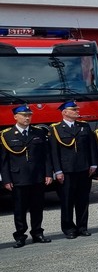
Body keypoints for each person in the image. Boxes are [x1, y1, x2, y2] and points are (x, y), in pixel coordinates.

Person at [1, 105, 54, 247]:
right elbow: (4, 160)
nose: (27, 118)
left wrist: (48, 173)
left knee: (37, 207)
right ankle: (20, 236)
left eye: (29, 115)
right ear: (15, 117)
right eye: (24, 115)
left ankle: (37, 233)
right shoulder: (7, 135)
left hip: (37, 176)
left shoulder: (38, 132)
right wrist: (6, 179)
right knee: (20, 209)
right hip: (18, 178)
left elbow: (46, 156)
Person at [49, 100, 98, 238]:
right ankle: (69, 228)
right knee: (67, 201)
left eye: (77, 109)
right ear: (64, 112)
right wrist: (57, 170)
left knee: (83, 200)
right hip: (66, 170)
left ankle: (82, 227)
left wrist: (93, 164)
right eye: (74, 110)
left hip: (84, 168)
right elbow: (54, 152)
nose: (77, 111)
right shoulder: (56, 129)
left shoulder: (84, 126)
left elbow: (92, 146)